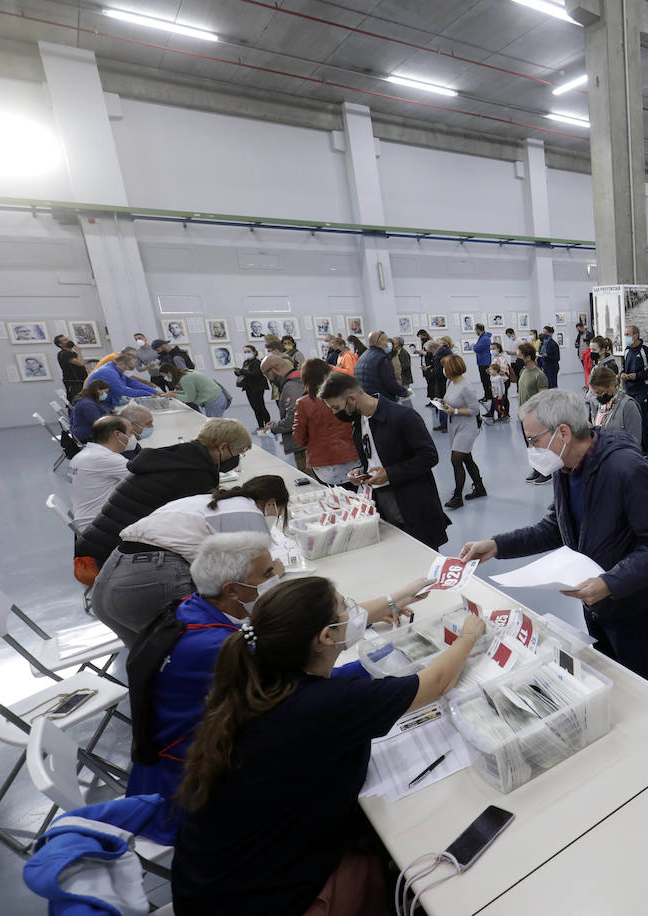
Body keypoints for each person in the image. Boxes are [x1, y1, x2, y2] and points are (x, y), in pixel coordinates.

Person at [171, 576, 484, 914]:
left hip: (210, 883)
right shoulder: (325, 705)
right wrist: (469, 633)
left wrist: (395, 598)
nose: (353, 611)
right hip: (265, 899)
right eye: (344, 607)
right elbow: (438, 682)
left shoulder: (256, 678)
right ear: (326, 636)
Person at [460, 389, 648, 687]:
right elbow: (556, 527)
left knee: (639, 682)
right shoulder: (566, 468)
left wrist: (611, 583)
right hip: (593, 598)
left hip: (630, 604)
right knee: (606, 672)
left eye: (533, 440)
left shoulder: (625, 470)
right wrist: (498, 545)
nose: (529, 449)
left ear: (562, 433)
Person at [91, 476, 290, 646]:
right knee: (224, 649)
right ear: (272, 503)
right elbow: (249, 578)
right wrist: (274, 576)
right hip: (152, 577)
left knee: (154, 665)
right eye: (280, 512)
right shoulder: (250, 513)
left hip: (110, 574)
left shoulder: (212, 500)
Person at [75, 418, 252, 569]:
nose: (237, 458)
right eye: (237, 452)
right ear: (222, 447)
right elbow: (194, 526)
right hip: (111, 557)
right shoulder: (196, 474)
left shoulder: (180, 456)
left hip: (96, 544)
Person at [320, 371, 448, 549]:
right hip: (381, 501)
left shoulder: (403, 416)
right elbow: (373, 457)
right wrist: (361, 471)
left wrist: (390, 473)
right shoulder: (359, 422)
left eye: (335, 407)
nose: (334, 413)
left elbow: (429, 456)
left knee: (422, 554)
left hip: (411, 503)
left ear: (352, 398)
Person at [289, 359, 362, 487]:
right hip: (353, 456)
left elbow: (299, 438)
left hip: (324, 464)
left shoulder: (304, 403)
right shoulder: (346, 395)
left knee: (335, 501)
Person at [436, 353, 486, 510]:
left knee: (456, 459)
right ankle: (480, 488)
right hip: (454, 426)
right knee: (466, 458)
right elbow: (449, 404)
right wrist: (441, 403)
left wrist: (455, 411)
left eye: (445, 367)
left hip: (467, 427)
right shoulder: (450, 383)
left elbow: (475, 409)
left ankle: (457, 496)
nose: (443, 370)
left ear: (450, 369)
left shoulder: (466, 386)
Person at [70, 415, 133, 532]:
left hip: (86, 521)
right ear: (117, 435)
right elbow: (146, 480)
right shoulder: (106, 459)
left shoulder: (85, 454)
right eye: (130, 433)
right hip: (100, 528)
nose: (133, 437)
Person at [263, 355, 308, 472]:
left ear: (275, 369)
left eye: (266, 374)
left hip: (304, 446)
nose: (268, 379)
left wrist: (274, 428)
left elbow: (293, 419)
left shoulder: (291, 386)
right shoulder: (299, 379)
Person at [621, 325, 648, 459]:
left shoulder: (645, 348)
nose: (625, 336)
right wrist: (622, 374)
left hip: (643, 390)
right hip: (629, 391)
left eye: (628, 334)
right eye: (625, 334)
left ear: (636, 335)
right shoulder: (626, 350)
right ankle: (641, 449)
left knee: (646, 421)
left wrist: (637, 376)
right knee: (635, 421)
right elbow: (623, 367)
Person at [517, 342, 551, 483]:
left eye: (520, 355)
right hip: (523, 416)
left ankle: (546, 472)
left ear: (528, 357)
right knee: (530, 446)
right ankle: (537, 469)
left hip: (534, 418)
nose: (517, 357)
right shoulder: (522, 372)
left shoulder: (539, 375)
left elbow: (542, 400)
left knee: (539, 445)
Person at [589, 365, 643, 446]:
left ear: (611, 385)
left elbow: (635, 442)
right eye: (594, 393)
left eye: (600, 392)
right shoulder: (597, 404)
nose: (597, 397)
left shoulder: (629, 406)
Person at [88, 351, 162, 407]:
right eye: (129, 368)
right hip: (93, 402)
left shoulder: (117, 369)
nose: (129, 371)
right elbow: (123, 390)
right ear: (121, 364)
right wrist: (148, 394)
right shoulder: (108, 372)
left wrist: (155, 392)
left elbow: (133, 383)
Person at [354, 330, 405, 402]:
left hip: (366, 400)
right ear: (380, 342)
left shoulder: (362, 357)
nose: (388, 343)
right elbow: (390, 383)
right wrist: (404, 392)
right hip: (382, 401)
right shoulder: (382, 358)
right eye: (387, 340)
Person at [166, 365, 232, 418]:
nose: (165, 378)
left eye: (164, 375)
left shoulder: (185, 379)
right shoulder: (188, 372)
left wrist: (174, 395)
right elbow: (191, 392)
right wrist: (176, 393)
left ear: (169, 373)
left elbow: (190, 398)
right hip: (219, 397)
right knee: (217, 424)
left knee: (216, 426)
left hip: (213, 401)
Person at [234, 344, 271, 432]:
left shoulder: (257, 362)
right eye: (245, 352)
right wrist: (238, 372)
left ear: (254, 352)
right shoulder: (246, 362)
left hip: (258, 387)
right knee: (254, 407)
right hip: (248, 387)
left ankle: (268, 425)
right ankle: (260, 426)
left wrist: (242, 371)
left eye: (248, 351)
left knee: (260, 406)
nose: (247, 353)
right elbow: (244, 373)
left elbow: (255, 374)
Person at [54, 334, 89, 400]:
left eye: (68, 339)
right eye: (65, 340)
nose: (68, 341)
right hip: (74, 384)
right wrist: (78, 351)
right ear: (60, 344)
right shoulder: (64, 354)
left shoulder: (73, 353)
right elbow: (80, 363)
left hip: (82, 381)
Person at [471, 323, 494, 402]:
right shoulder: (482, 337)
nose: (475, 331)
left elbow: (476, 349)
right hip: (482, 361)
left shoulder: (484, 338)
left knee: (485, 380)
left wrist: (474, 346)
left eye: (475, 329)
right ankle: (488, 395)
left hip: (484, 362)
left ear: (478, 329)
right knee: (485, 380)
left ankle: (488, 396)